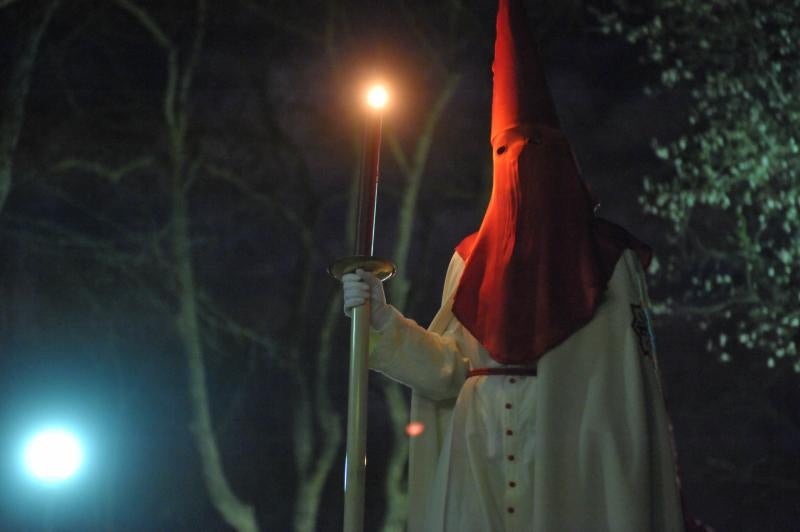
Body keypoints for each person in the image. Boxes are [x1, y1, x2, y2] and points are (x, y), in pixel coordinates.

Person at [342, 0, 687, 530]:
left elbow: (629, 405)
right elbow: (446, 370)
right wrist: (380, 319)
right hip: (475, 472)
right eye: (507, 155)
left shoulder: (611, 264)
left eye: (536, 154)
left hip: (574, 480)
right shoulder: (471, 257)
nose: (522, 175)